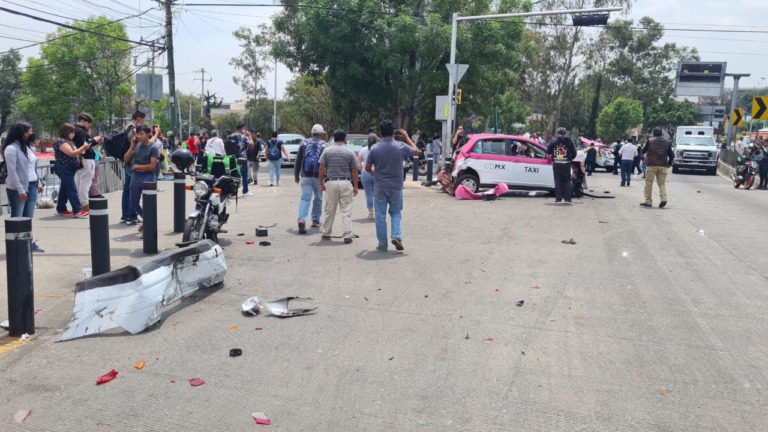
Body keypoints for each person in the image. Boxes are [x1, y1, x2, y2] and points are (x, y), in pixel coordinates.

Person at [365, 119, 419, 251]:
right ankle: (396, 235)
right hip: (396, 186)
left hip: (380, 186)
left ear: (381, 133)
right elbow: (416, 151)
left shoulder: (374, 148)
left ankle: (382, 244)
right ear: (393, 132)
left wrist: (373, 173)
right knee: (396, 212)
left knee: (380, 216)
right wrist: (407, 137)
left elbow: (367, 167)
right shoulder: (401, 146)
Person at [2, 122, 44, 252]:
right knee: (18, 217)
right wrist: (20, 190)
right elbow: (12, 171)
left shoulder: (28, 148)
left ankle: (28, 243)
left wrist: (39, 183)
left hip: (32, 185)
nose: (31, 134)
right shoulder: (11, 149)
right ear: (21, 133)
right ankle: (16, 246)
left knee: (28, 217)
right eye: (29, 131)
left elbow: (33, 168)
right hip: (17, 188)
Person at [318, 129, 359, 244]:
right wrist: (355, 186)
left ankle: (326, 233)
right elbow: (354, 171)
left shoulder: (327, 151)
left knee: (329, 209)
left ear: (334, 139)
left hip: (331, 182)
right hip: (346, 182)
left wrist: (320, 183)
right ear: (344, 139)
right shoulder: (350, 152)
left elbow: (321, 168)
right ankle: (347, 234)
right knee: (346, 210)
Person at [124, 125, 159, 232]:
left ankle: (148, 228)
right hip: (136, 176)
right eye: (138, 134)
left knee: (148, 203)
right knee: (133, 201)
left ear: (148, 134)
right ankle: (147, 219)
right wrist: (131, 146)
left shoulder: (153, 147)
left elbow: (152, 166)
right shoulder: (136, 145)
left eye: (142, 134)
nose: (139, 136)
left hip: (148, 176)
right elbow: (126, 159)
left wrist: (137, 167)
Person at [294, 124, 326, 234]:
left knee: (305, 198)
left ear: (312, 133)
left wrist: (296, 175)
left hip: (305, 176)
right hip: (319, 177)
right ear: (321, 134)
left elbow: (298, 161)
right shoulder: (325, 145)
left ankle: (302, 219)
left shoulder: (303, 143)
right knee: (318, 198)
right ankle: (315, 220)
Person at [53, 123, 89, 218]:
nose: (73, 134)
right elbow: (71, 153)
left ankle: (61, 208)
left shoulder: (69, 142)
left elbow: (76, 152)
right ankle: (77, 210)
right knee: (72, 189)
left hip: (69, 168)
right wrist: (82, 148)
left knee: (65, 189)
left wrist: (83, 149)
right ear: (66, 132)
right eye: (71, 132)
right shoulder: (61, 142)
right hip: (64, 168)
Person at [73, 113, 104, 213]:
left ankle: (78, 204)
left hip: (80, 159)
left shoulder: (74, 129)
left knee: (79, 183)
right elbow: (84, 146)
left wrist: (94, 142)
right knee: (85, 184)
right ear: (83, 121)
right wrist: (94, 140)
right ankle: (85, 205)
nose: (89, 126)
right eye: (89, 123)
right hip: (86, 159)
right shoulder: (81, 131)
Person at [120, 111, 145, 224]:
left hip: (127, 162)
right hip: (132, 163)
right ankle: (132, 215)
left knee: (127, 190)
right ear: (138, 119)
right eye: (143, 120)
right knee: (133, 190)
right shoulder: (134, 130)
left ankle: (125, 214)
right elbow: (140, 144)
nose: (143, 122)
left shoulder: (125, 128)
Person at [641, 126, 674, 208]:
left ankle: (648, 201)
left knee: (649, 183)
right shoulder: (667, 141)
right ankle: (663, 198)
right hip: (663, 165)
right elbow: (671, 154)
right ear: (661, 133)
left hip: (651, 165)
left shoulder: (650, 140)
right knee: (661, 183)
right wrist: (669, 163)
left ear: (653, 133)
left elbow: (643, 151)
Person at [546, 127, 577, 203]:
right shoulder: (569, 141)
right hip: (566, 163)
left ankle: (558, 198)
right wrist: (570, 158)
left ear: (557, 133)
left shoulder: (553, 141)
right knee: (567, 181)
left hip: (556, 163)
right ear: (565, 133)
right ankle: (567, 198)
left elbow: (548, 151)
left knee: (557, 181)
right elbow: (574, 153)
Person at [357, 133, 378, 219]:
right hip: (377, 173)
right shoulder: (379, 149)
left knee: (368, 193)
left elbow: (358, 163)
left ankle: (370, 212)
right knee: (377, 193)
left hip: (365, 173)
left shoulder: (363, 150)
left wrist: (361, 170)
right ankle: (378, 211)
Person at [231, 123, 254, 196]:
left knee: (233, 175)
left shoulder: (231, 136)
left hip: (232, 158)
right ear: (242, 129)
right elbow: (251, 145)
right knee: (244, 175)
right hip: (242, 158)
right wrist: (249, 136)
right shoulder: (243, 137)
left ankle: (232, 192)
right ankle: (245, 191)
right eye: (244, 128)